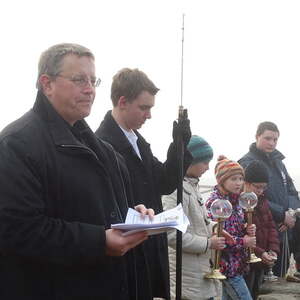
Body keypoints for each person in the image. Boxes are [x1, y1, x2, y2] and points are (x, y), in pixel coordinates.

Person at [0, 43, 153, 300]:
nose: (90, 89)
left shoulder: (103, 150)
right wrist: (99, 241)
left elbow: (99, 210)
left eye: (93, 80)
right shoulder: (16, 144)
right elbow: (17, 229)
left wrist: (133, 215)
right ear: (47, 84)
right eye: (79, 79)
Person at [95, 67, 192, 300]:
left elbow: (165, 182)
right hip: (129, 252)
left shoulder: (138, 142)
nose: (148, 115)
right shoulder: (101, 144)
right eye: (144, 107)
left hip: (150, 246)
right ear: (122, 102)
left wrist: (179, 145)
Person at [162, 135, 226, 300]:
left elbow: (197, 221)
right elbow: (171, 234)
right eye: (205, 162)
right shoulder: (175, 190)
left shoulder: (191, 185)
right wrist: (208, 243)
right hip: (186, 278)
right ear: (190, 160)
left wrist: (215, 227)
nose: (207, 167)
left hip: (197, 273)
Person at [238, 121, 300, 278]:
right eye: (267, 138)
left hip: (285, 227)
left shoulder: (279, 163)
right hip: (264, 227)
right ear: (257, 136)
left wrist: (290, 214)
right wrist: (281, 215)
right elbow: (249, 196)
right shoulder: (247, 163)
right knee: (262, 277)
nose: (272, 143)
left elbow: (292, 191)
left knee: (280, 272)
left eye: (275, 139)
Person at [206, 157, 256, 300]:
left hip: (236, 265)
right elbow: (219, 237)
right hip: (226, 267)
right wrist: (243, 242)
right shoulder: (216, 203)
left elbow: (234, 228)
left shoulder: (236, 201)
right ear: (221, 180)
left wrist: (246, 228)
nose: (239, 183)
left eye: (241, 178)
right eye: (234, 179)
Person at [243, 160, 280, 299]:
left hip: (261, 262)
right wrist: (261, 253)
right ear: (246, 183)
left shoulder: (263, 200)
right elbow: (242, 235)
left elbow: (271, 227)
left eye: (263, 187)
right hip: (245, 264)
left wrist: (273, 250)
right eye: (257, 187)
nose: (260, 191)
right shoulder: (239, 204)